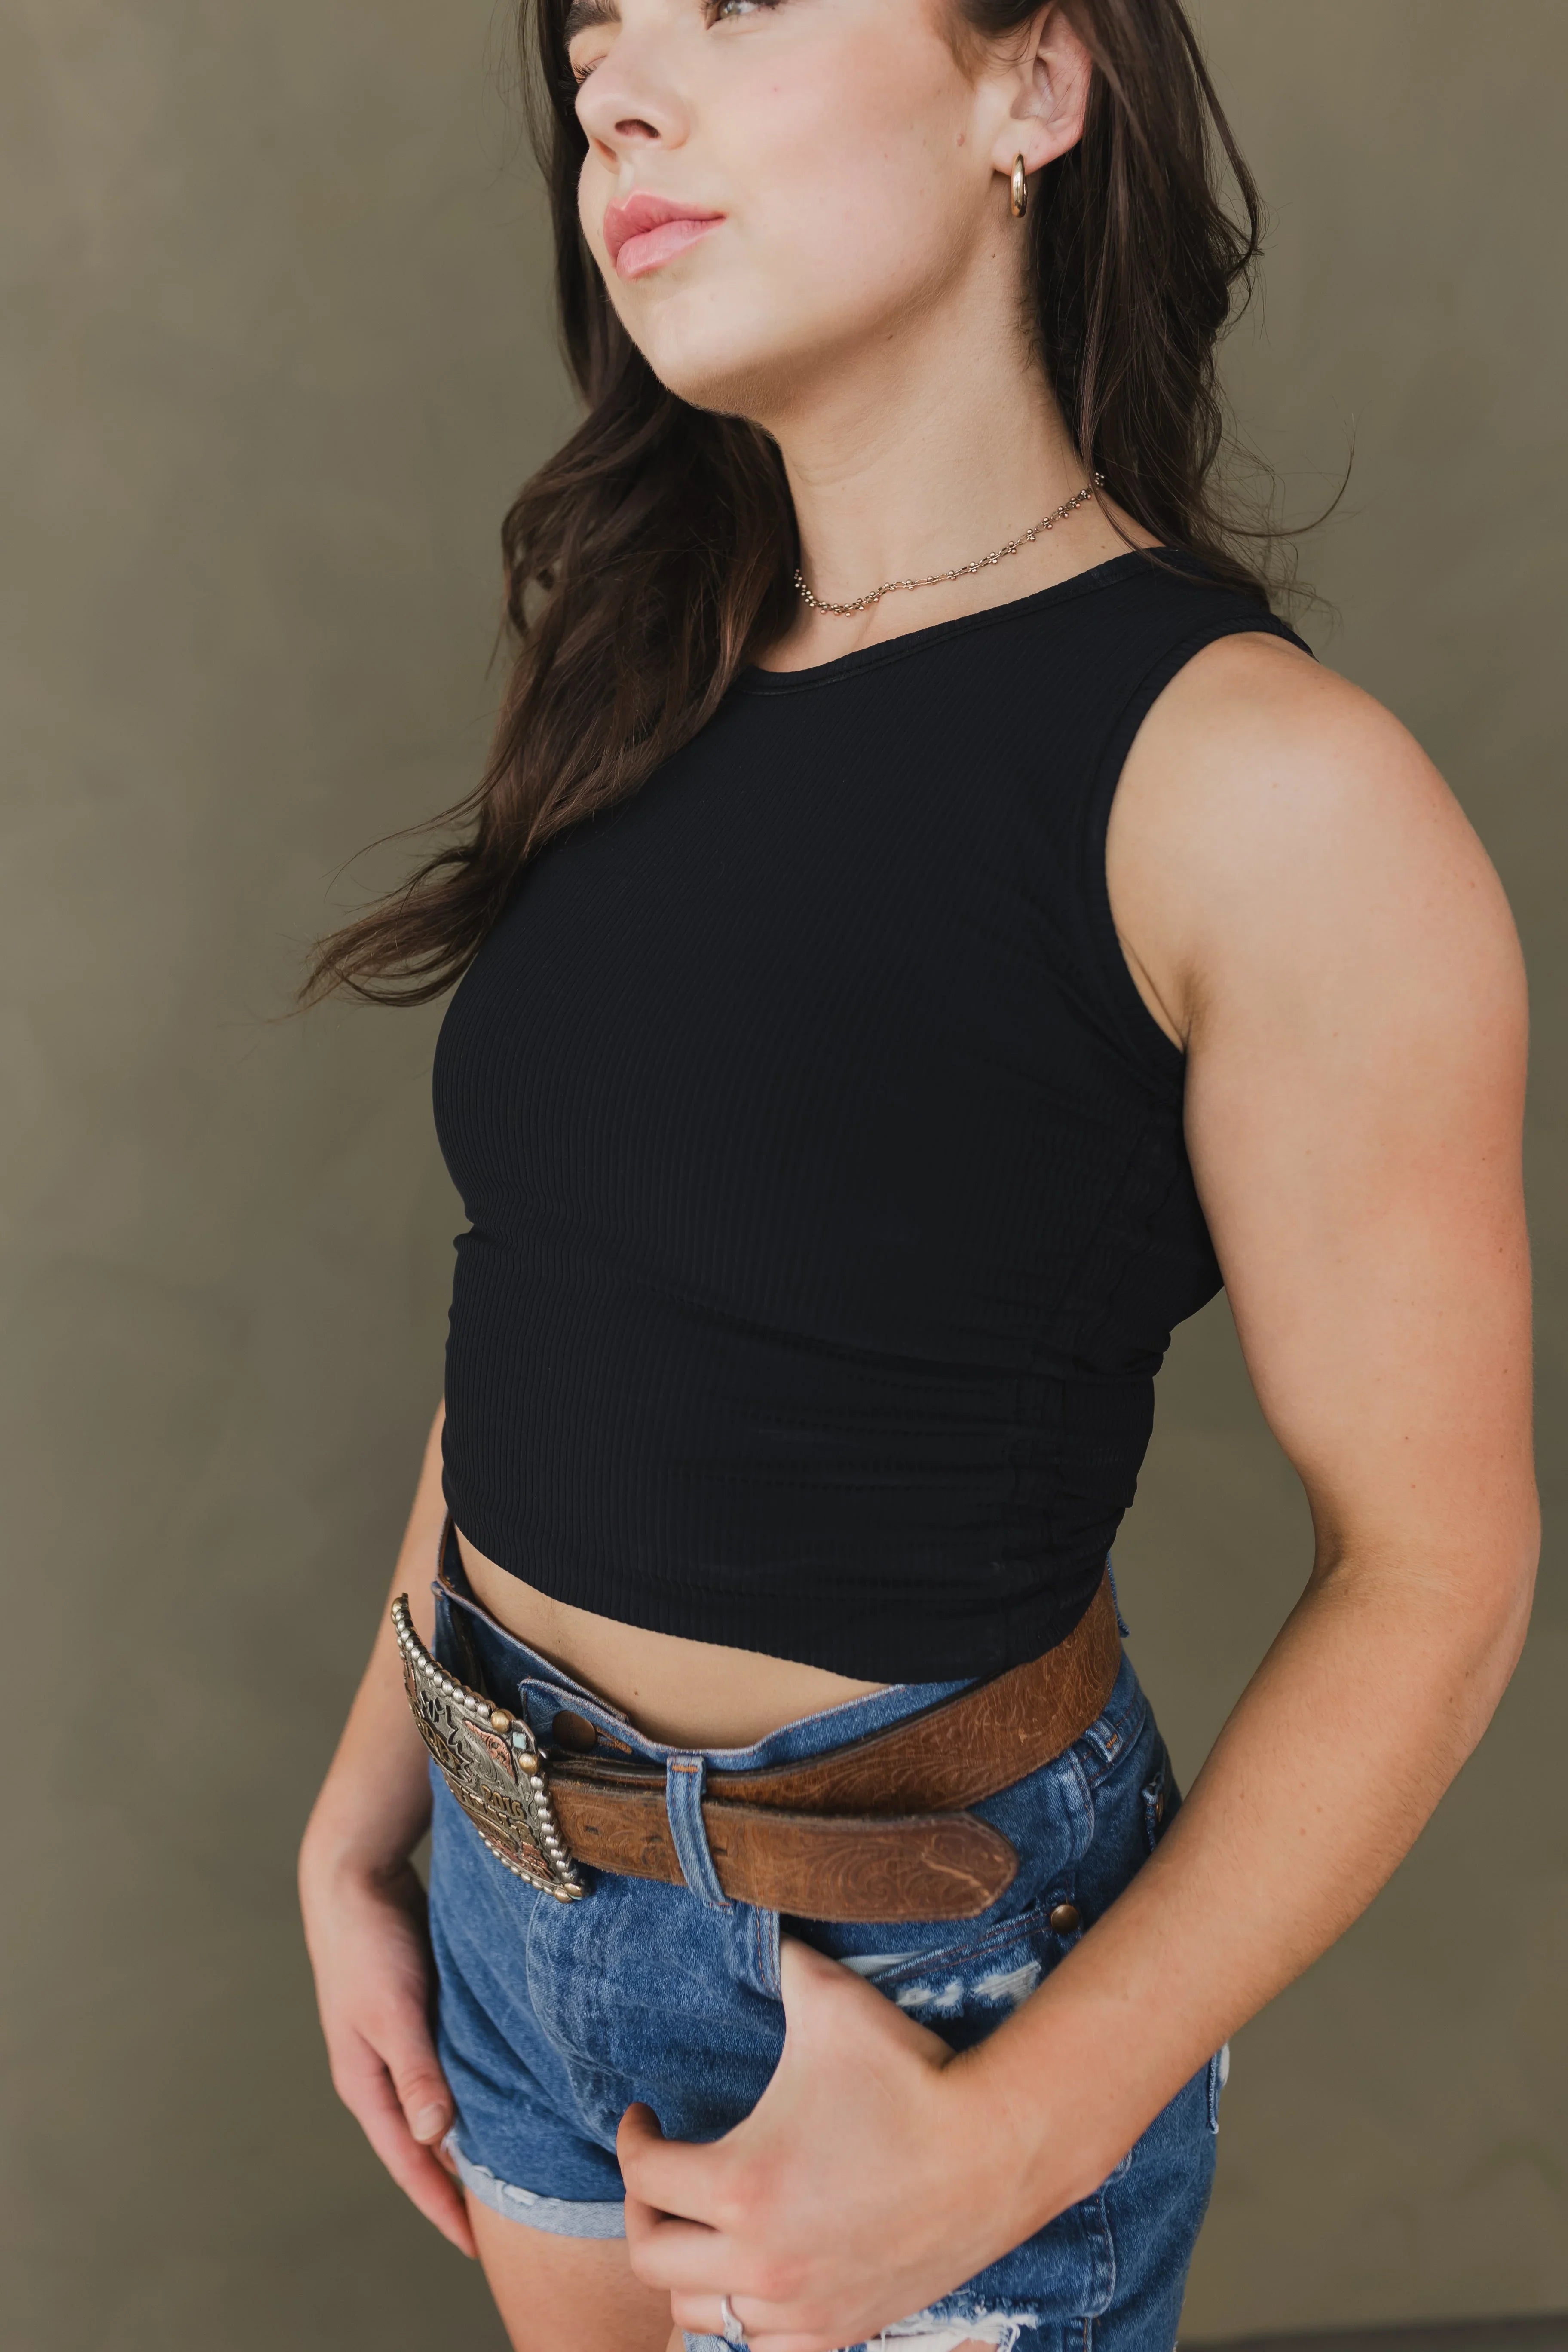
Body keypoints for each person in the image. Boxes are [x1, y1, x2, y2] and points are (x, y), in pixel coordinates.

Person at [297, 1, 1537, 2347]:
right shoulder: (639, 683)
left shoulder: (1268, 792)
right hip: (507, 1874)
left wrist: (1011, 2139)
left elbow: (1443, 1570)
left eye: (730, 6)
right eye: (589, 52)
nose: (616, 95)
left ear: (1034, 84)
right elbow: (555, 1307)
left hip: (917, 1980)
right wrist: (375, 1801)